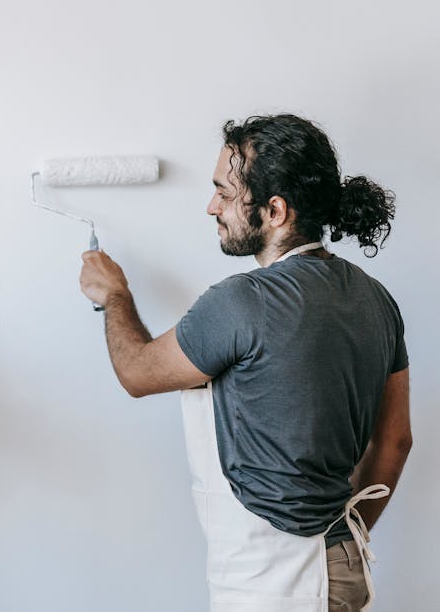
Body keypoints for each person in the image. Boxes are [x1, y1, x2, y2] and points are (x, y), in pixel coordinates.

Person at [80, 114, 411, 611]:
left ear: (275, 210)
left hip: (273, 588)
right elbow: (396, 441)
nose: (212, 206)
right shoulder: (375, 299)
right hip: (344, 569)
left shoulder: (242, 303)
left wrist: (115, 296)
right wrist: (344, 534)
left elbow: (138, 372)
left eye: (225, 193)